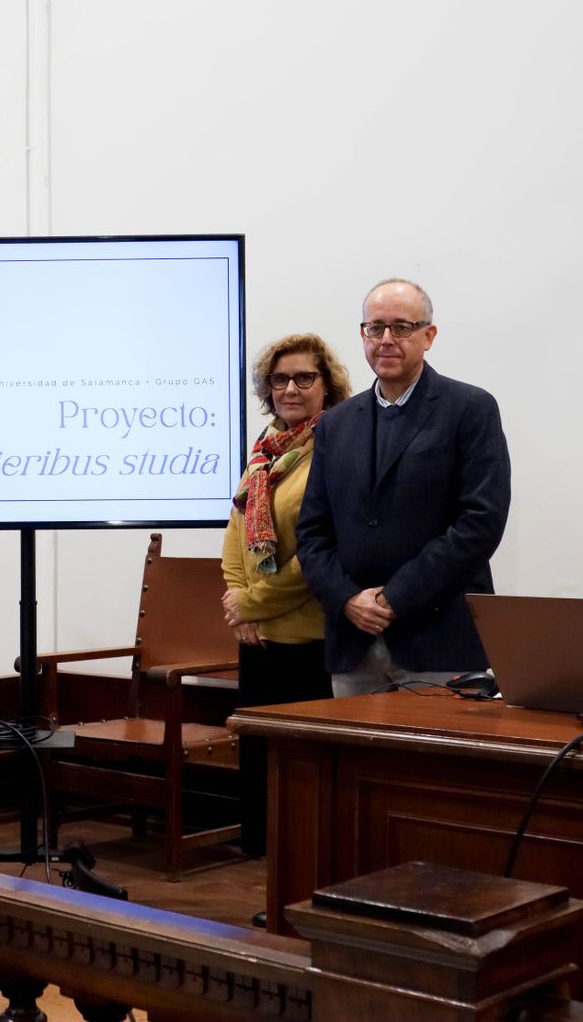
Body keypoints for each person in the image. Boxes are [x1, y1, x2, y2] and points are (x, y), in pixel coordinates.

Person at [296, 279, 511, 696]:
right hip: (353, 642)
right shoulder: (336, 424)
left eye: (402, 327)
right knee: (356, 763)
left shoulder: (469, 409)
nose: (386, 340)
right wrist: (346, 599)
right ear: (363, 335)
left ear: (428, 336)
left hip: (438, 640)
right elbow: (312, 533)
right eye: (375, 328)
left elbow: (479, 523)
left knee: (434, 763)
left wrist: (395, 597)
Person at [221, 333, 350, 859]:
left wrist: (252, 604)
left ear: (327, 386)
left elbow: (321, 554)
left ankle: (299, 872)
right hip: (259, 639)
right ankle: (264, 870)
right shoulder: (265, 453)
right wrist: (238, 603)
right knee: (260, 765)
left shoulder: (336, 448)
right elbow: (235, 539)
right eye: (280, 379)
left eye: (304, 378)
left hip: (310, 641)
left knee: (304, 776)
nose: (291, 388)